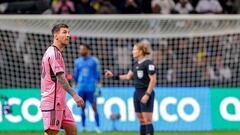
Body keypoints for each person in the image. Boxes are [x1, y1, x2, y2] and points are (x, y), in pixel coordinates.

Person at [40, 23, 84, 135]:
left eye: (69, 32)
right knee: (51, 132)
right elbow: (60, 78)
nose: (68, 35)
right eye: (64, 32)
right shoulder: (55, 54)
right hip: (53, 101)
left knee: (72, 130)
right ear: (56, 36)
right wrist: (74, 95)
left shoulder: (53, 52)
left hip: (60, 102)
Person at [105, 41, 157, 135]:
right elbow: (128, 76)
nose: (133, 51)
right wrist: (113, 76)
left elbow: (153, 80)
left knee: (147, 120)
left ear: (140, 51)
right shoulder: (135, 64)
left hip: (146, 93)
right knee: (141, 120)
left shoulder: (148, 63)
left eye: (134, 49)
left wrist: (147, 94)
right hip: (137, 93)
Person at [73, 43, 102, 133]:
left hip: (91, 88)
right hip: (81, 88)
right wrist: (74, 86)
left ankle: (97, 127)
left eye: (83, 49)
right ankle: (83, 126)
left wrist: (98, 88)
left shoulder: (94, 61)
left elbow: (98, 75)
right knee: (82, 107)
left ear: (87, 50)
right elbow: (76, 75)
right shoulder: (77, 62)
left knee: (94, 107)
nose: (81, 51)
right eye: (80, 49)